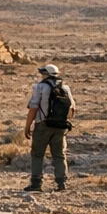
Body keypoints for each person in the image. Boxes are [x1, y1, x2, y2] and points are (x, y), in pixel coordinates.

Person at [24, 63, 74, 192]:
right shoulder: (65, 88)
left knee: (37, 154)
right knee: (59, 155)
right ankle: (61, 183)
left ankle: (36, 183)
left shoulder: (40, 87)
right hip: (61, 126)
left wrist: (28, 126)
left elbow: (33, 108)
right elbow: (72, 109)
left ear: (46, 74)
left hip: (43, 125)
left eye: (42, 73)